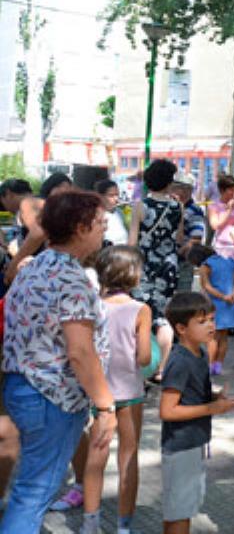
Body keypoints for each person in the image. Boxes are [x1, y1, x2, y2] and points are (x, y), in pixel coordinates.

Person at [0, 190, 116, 533]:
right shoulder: (71, 279)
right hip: (51, 398)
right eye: (99, 223)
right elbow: (80, 351)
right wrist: (105, 406)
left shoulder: (34, 268)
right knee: (33, 493)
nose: (103, 229)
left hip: (25, 390)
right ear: (79, 227)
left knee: (29, 490)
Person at [159, 292, 234, 533]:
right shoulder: (180, 361)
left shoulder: (201, 353)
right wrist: (211, 408)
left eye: (211, 319)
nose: (211, 325)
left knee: (182, 507)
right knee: (180, 512)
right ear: (181, 328)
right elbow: (167, 410)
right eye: (202, 321)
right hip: (180, 446)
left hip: (194, 442)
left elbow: (192, 396)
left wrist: (215, 399)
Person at [82, 246, 153, 534]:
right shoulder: (140, 309)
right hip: (130, 391)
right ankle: (124, 526)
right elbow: (145, 358)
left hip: (97, 392)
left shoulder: (90, 304)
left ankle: (91, 521)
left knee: (96, 456)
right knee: (128, 454)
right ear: (134, 275)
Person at [129, 159, 184, 382]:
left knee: (140, 314)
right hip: (168, 265)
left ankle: (140, 366)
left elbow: (133, 240)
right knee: (163, 318)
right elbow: (178, 238)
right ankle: (161, 368)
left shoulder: (140, 206)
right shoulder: (176, 206)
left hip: (144, 264)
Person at [195, 244, 234, 374]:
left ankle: (209, 366)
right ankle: (218, 366)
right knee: (224, 337)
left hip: (216, 304)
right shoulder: (229, 261)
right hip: (230, 304)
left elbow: (207, 286)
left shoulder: (206, 266)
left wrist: (222, 297)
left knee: (212, 338)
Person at [170, 172, 206, 292]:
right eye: (179, 187)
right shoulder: (167, 206)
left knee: (182, 296)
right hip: (165, 260)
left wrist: (179, 252)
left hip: (183, 260)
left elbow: (196, 237)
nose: (182, 192)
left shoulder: (194, 210)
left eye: (187, 189)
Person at [207, 174, 234, 270]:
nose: (233, 193)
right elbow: (215, 225)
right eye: (231, 190)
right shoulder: (214, 206)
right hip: (223, 247)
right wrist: (228, 210)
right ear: (222, 190)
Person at [96, 178, 129, 247]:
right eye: (111, 195)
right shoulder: (96, 215)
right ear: (101, 196)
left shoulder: (119, 212)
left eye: (117, 195)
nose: (116, 199)